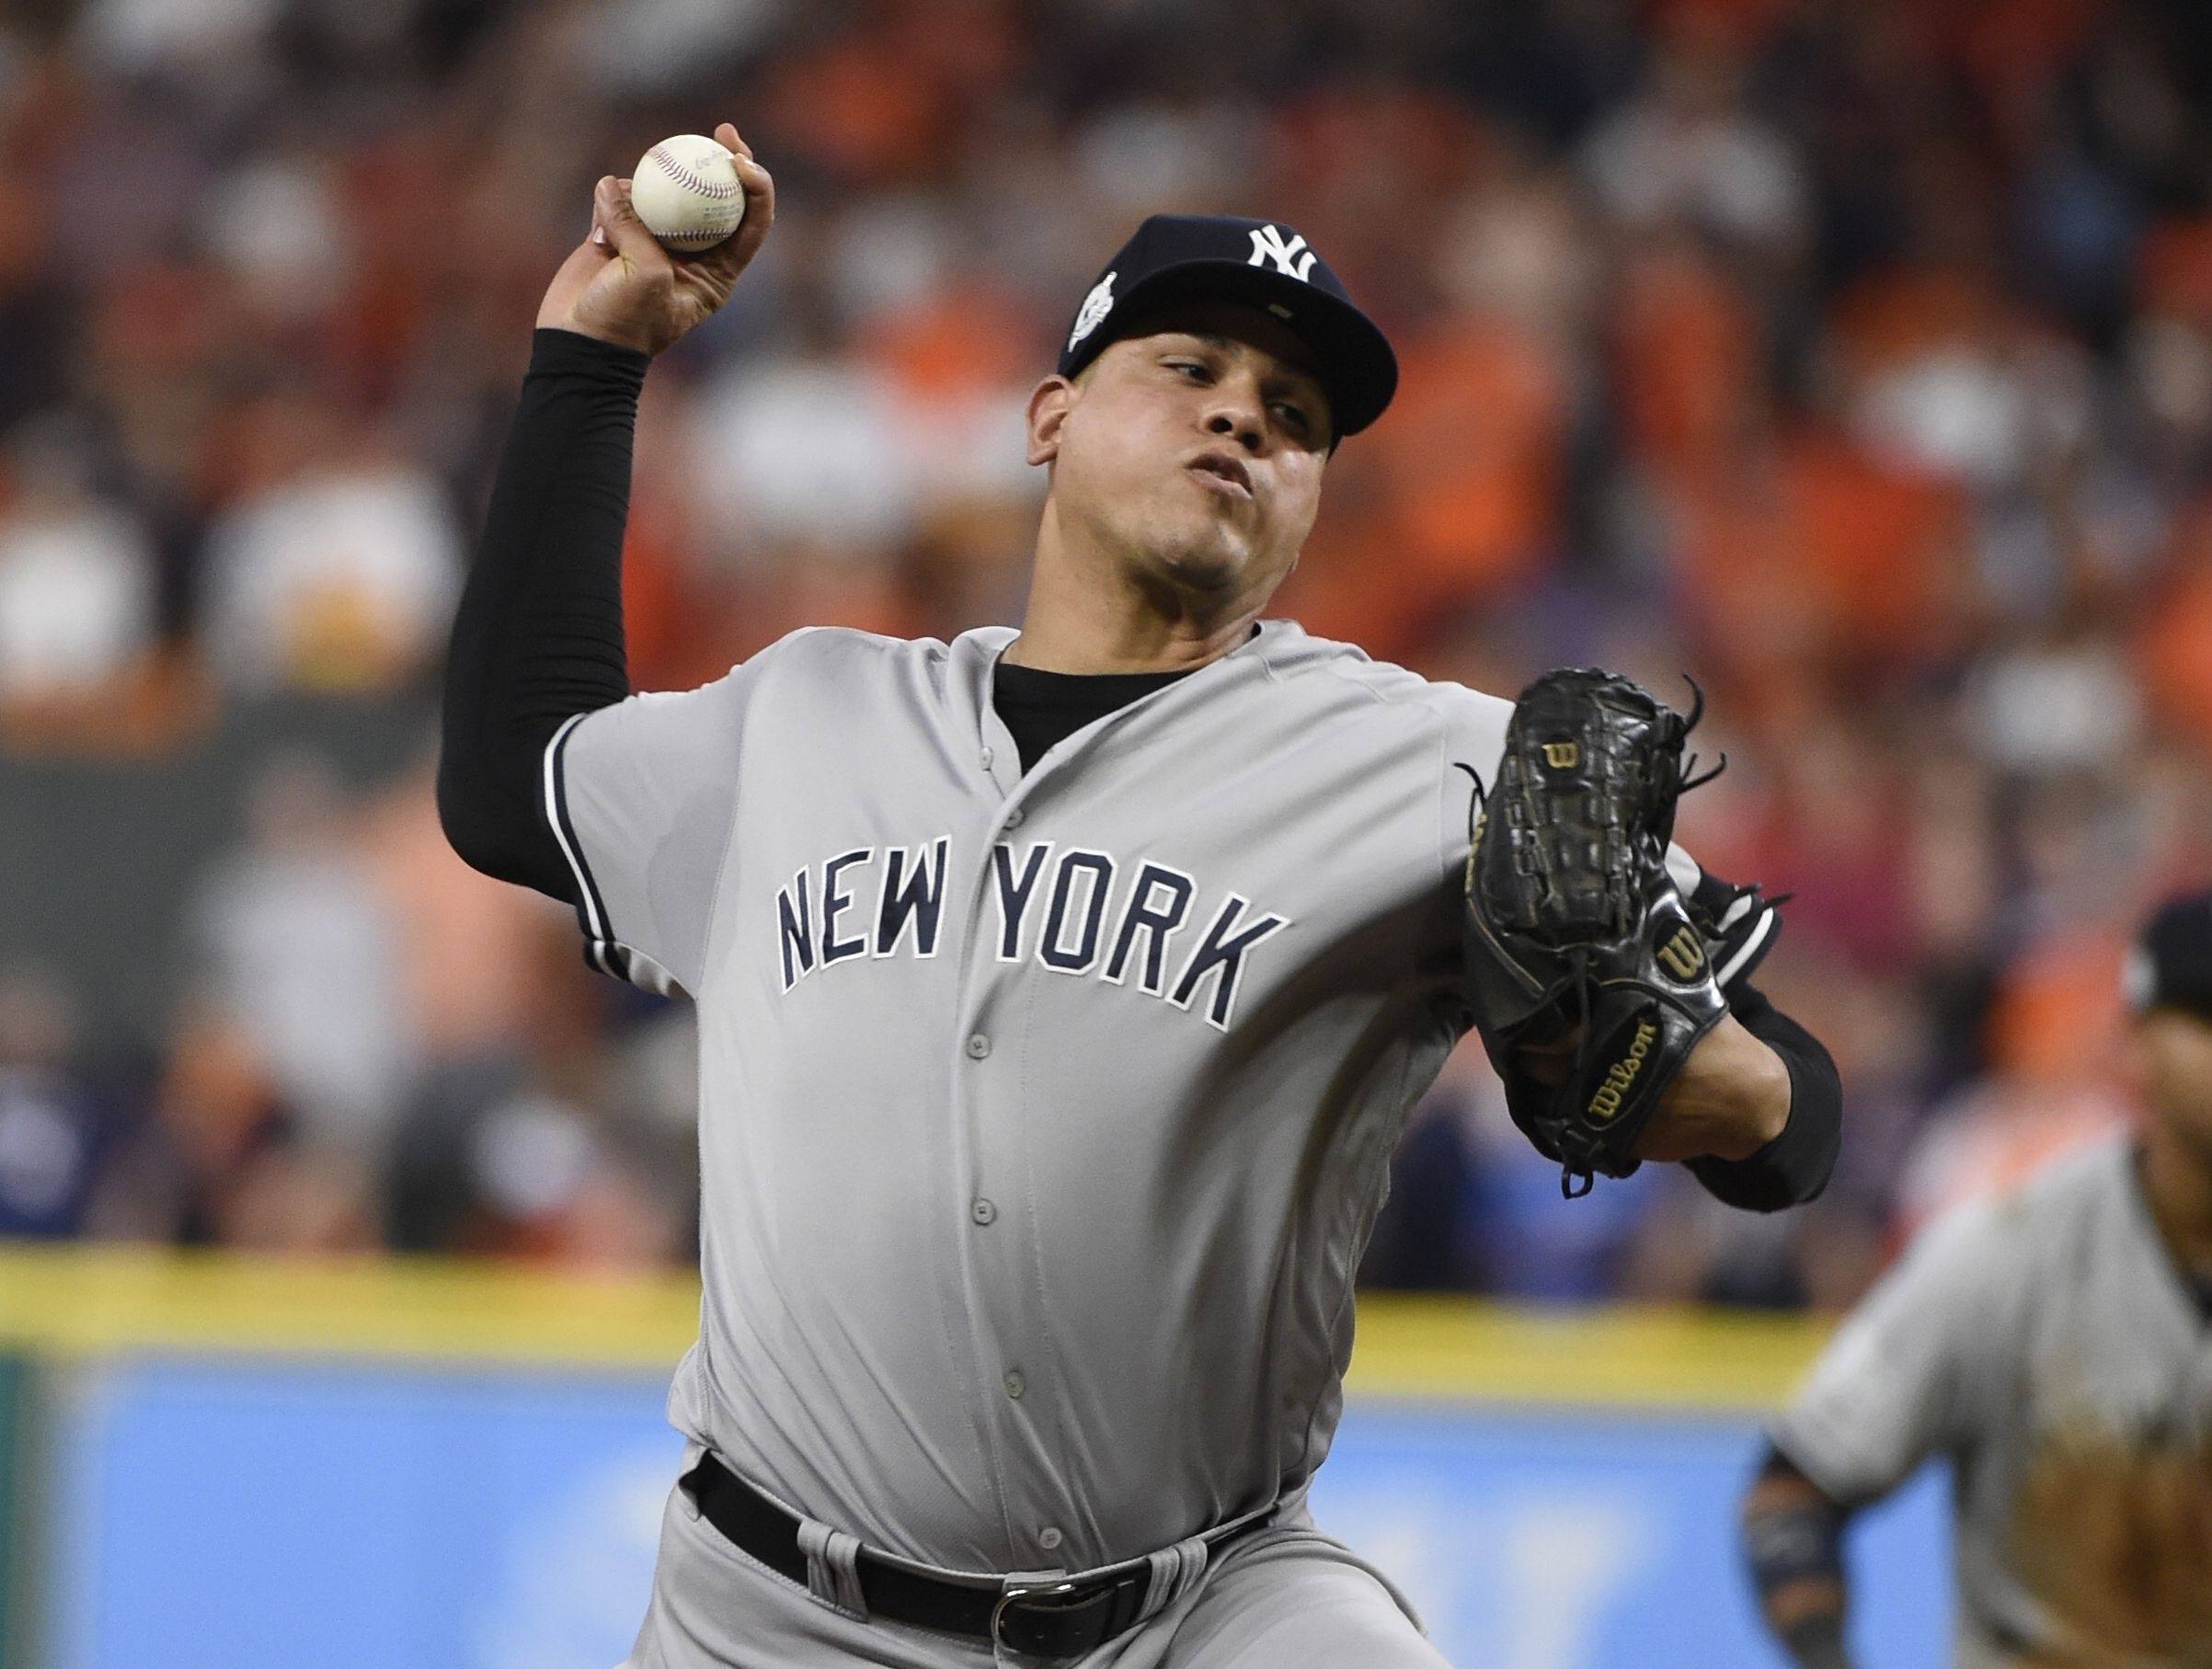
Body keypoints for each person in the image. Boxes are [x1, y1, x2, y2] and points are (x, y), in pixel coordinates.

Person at [441, 122, 1840, 1669]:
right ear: (1047, 417)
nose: (1244, 412)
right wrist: (592, 359)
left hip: (1204, 1615)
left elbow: (1797, 1119)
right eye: (1189, 369)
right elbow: (516, 779)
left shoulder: (1440, 763)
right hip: (769, 1614)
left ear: (1310, 499)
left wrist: (1657, 1066)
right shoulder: (804, 717)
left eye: (1294, 416)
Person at [1741, 889, 2212, 1669]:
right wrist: (1827, 1654)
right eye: (2203, 1018)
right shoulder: (2014, 1250)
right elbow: (1793, 1487)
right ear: (2133, 1041)